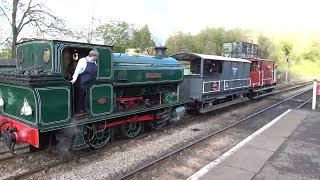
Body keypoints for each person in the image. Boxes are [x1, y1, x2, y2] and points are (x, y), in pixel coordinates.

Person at [71, 50, 99, 114]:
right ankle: (79, 110)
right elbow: (77, 71)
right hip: (82, 82)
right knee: (81, 96)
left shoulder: (94, 62)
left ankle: (86, 109)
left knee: (88, 96)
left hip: (90, 82)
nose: (97, 58)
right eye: (96, 56)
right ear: (93, 56)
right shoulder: (83, 61)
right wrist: (74, 79)